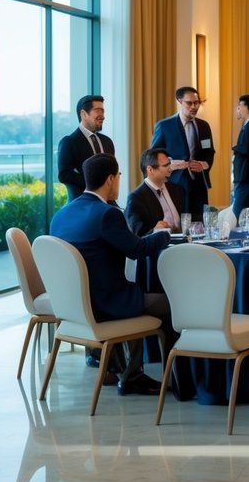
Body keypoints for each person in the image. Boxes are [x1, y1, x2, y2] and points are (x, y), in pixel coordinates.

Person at [49, 153, 173, 396]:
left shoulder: (60, 215)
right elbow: (137, 249)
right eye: (118, 176)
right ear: (109, 179)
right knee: (172, 304)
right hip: (106, 304)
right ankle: (155, 376)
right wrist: (165, 235)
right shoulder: (107, 214)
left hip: (74, 306)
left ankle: (119, 368)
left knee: (133, 294)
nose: (118, 180)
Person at [151, 86, 214, 221]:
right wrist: (171, 163)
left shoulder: (204, 126)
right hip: (174, 183)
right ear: (179, 101)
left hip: (199, 184)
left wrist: (205, 165)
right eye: (189, 103)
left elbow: (209, 152)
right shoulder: (164, 126)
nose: (194, 107)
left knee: (200, 223)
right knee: (179, 223)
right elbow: (154, 155)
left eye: (196, 103)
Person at [57, 94, 115, 201]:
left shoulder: (107, 142)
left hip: (108, 202)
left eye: (103, 111)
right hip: (82, 203)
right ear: (84, 114)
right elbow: (64, 175)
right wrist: (95, 183)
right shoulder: (69, 142)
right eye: (98, 110)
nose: (102, 115)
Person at [125, 147, 186, 236]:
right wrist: (155, 230)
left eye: (169, 164)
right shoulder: (136, 197)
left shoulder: (177, 189)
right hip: (159, 247)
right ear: (150, 170)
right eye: (165, 166)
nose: (170, 169)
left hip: (184, 244)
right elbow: (137, 232)